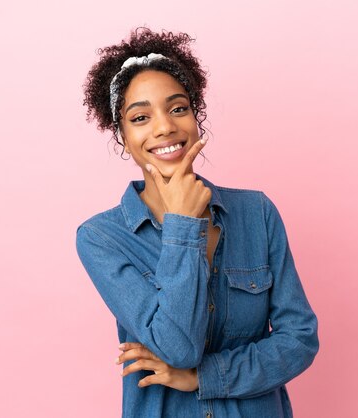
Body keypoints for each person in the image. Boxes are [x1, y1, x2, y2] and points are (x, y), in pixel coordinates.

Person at [75, 27, 319, 418]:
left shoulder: (257, 213)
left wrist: (203, 377)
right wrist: (183, 224)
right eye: (140, 117)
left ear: (196, 116)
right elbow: (178, 347)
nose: (164, 127)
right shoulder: (101, 238)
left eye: (178, 108)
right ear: (121, 135)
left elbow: (300, 339)